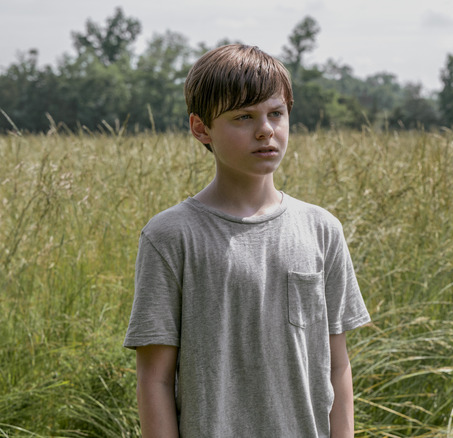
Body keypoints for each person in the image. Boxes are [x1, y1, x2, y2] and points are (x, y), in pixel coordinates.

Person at [123, 44, 371, 437]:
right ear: (201, 128)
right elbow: (155, 378)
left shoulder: (322, 230)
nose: (265, 130)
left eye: (276, 113)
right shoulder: (170, 236)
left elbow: (337, 365)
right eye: (243, 116)